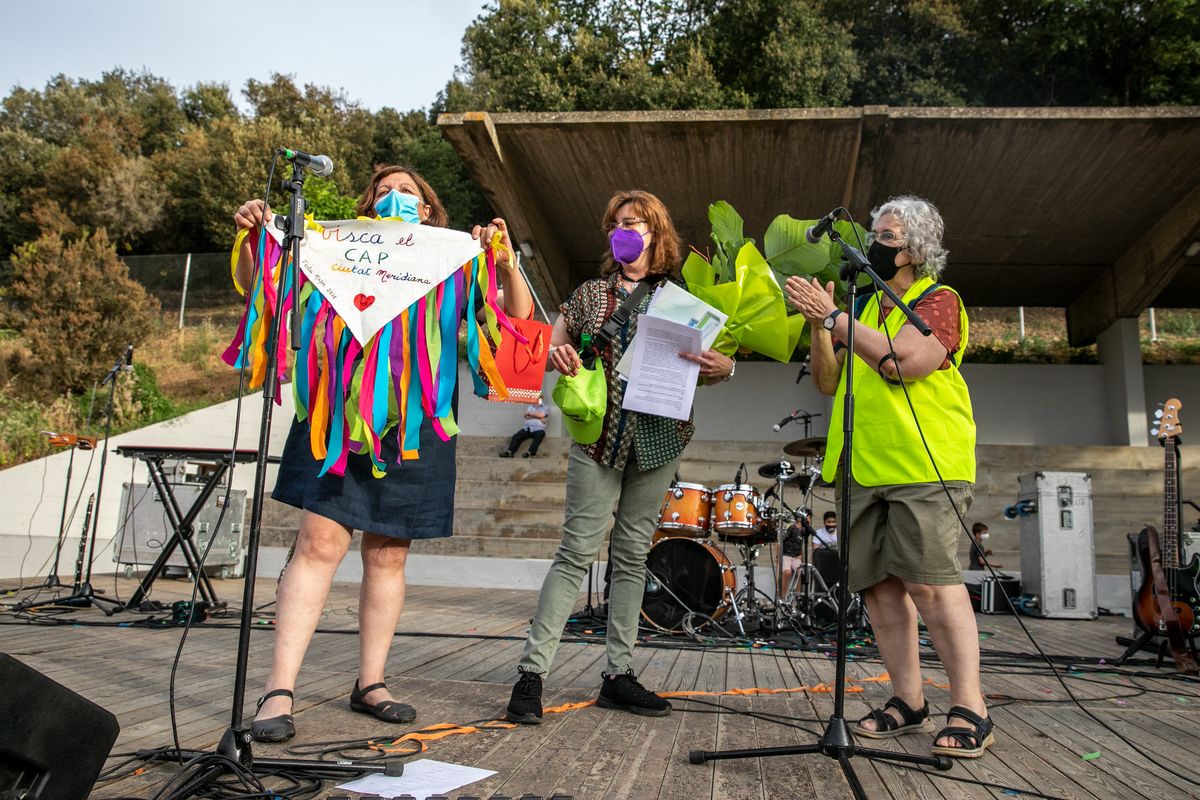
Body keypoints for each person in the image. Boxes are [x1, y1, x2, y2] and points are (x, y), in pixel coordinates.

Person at [232, 165, 532, 742]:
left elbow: (516, 316)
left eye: (408, 192)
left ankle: (371, 683)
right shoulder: (335, 248)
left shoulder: (453, 258)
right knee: (317, 544)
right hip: (337, 416)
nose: (396, 198)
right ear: (368, 206)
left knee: (389, 554)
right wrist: (251, 234)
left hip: (418, 423)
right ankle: (278, 690)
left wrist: (504, 261)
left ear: (429, 209)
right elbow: (259, 282)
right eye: (385, 192)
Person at [505, 189, 734, 724]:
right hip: (598, 438)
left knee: (632, 557)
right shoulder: (589, 294)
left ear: (656, 233)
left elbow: (706, 368)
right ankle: (531, 675)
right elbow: (548, 350)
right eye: (616, 224)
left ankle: (619, 675)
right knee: (575, 554)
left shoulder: (685, 299)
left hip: (659, 440)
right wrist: (559, 355)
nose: (622, 231)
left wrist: (726, 368)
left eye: (633, 223)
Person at [785, 195, 993, 758]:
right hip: (861, 465)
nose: (875, 242)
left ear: (916, 249)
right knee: (880, 590)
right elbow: (828, 382)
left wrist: (836, 319)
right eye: (875, 232)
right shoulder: (863, 308)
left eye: (887, 235)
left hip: (923, 465)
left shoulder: (938, 300)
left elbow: (908, 363)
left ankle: (970, 705)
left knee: (931, 585)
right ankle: (909, 700)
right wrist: (820, 325)